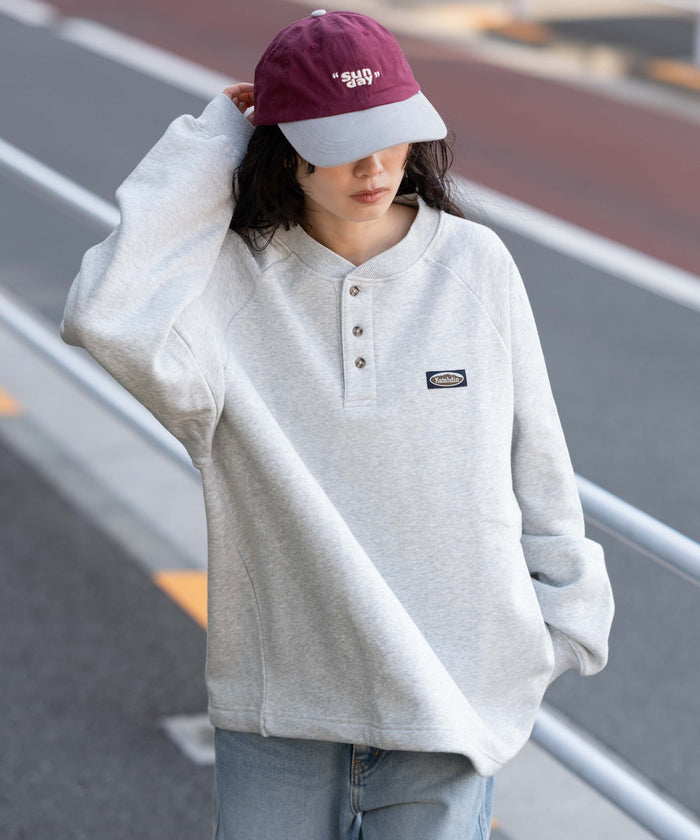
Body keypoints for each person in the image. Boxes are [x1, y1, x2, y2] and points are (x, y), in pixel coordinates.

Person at [61, 9, 614, 840]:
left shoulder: (476, 264)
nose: (375, 164)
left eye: (391, 132)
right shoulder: (224, 286)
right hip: (281, 717)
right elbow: (104, 313)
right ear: (282, 146)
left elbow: (535, 459)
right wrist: (211, 141)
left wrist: (564, 625)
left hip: (452, 710)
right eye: (343, 140)